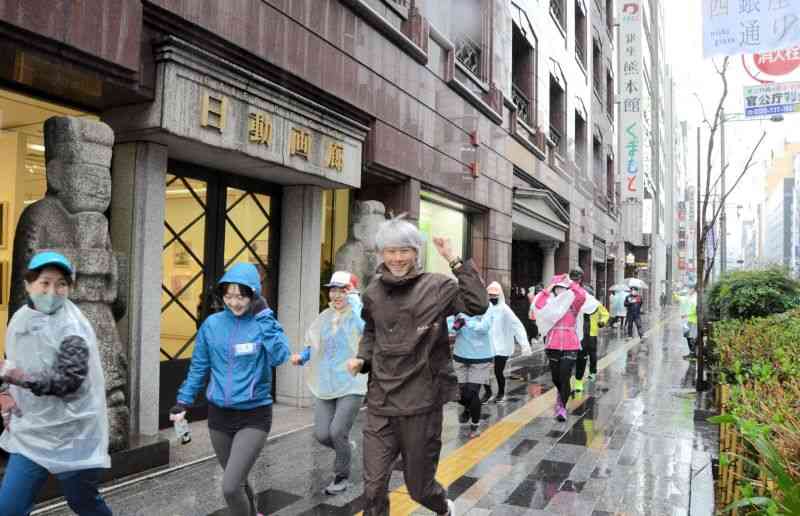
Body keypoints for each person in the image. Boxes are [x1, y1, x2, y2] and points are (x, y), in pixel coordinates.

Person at [345, 216, 488, 516]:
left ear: (415, 252)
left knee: (419, 488)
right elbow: (372, 332)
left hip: (422, 401)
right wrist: (362, 357)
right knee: (372, 488)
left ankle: (442, 506)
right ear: (381, 253)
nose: (397, 258)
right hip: (381, 401)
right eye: (390, 251)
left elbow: (478, 304)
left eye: (404, 251)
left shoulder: (436, 286)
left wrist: (454, 258)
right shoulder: (373, 291)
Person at [171, 262, 290, 516]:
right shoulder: (212, 325)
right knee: (239, 480)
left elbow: (280, 356)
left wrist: (264, 316)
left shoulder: (263, 322)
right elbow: (199, 367)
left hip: (254, 415)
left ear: (253, 295)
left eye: (241, 296)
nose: (234, 302)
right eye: (229, 295)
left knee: (229, 486)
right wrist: (183, 401)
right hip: (219, 417)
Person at [0, 251, 112, 516]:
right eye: (45, 282)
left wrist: (21, 378)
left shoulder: (73, 327)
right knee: (9, 508)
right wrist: (4, 392)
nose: (53, 291)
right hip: (31, 431)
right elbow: (9, 362)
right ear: (29, 284)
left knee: (82, 501)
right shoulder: (20, 320)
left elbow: (69, 379)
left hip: (73, 432)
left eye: (61, 283)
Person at [290, 271, 366, 495]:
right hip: (326, 381)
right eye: (333, 289)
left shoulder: (360, 315)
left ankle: (341, 476)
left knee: (337, 430)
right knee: (322, 434)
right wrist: (302, 357)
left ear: (352, 292)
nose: (336, 294)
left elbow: (368, 332)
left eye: (342, 290)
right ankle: (345, 448)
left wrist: (357, 305)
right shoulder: (325, 315)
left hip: (352, 383)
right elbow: (313, 343)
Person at [533, 274, 587, 422]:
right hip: (553, 344)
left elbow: (582, 295)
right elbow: (536, 305)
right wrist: (547, 289)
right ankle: (560, 393)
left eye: (564, 289)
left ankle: (562, 407)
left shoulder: (573, 304)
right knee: (556, 378)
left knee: (565, 375)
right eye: (558, 288)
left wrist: (571, 283)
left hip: (571, 344)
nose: (561, 291)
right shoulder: (549, 304)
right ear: (555, 290)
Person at [483, 282, 532, 404]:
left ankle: (500, 393)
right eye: (490, 295)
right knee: (483, 371)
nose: (492, 298)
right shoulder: (485, 308)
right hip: (487, 345)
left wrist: (524, 344)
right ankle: (488, 392)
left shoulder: (505, 310)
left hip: (502, 346)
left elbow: (517, 326)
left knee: (498, 371)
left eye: (495, 295)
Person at [448, 312, 493, 437]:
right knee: (460, 394)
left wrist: (467, 322)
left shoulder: (485, 307)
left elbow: (484, 327)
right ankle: (468, 408)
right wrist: (455, 323)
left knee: (472, 392)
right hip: (460, 356)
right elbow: (449, 329)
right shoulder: (456, 309)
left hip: (480, 357)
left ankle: (475, 425)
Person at [574, 286, 609, 392]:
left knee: (593, 354)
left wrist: (602, 322)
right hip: (580, 335)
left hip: (592, 334)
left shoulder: (596, 305)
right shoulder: (577, 305)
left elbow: (605, 314)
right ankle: (578, 381)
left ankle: (593, 372)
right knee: (581, 357)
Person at [676, 286, 698, 360]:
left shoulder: (695, 298)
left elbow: (695, 311)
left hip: (693, 321)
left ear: (694, 290)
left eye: (690, 289)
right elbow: (681, 299)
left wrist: (686, 315)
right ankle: (692, 353)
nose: (689, 290)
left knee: (691, 337)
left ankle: (693, 354)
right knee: (687, 336)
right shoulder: (691, 297)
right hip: (690, 320)